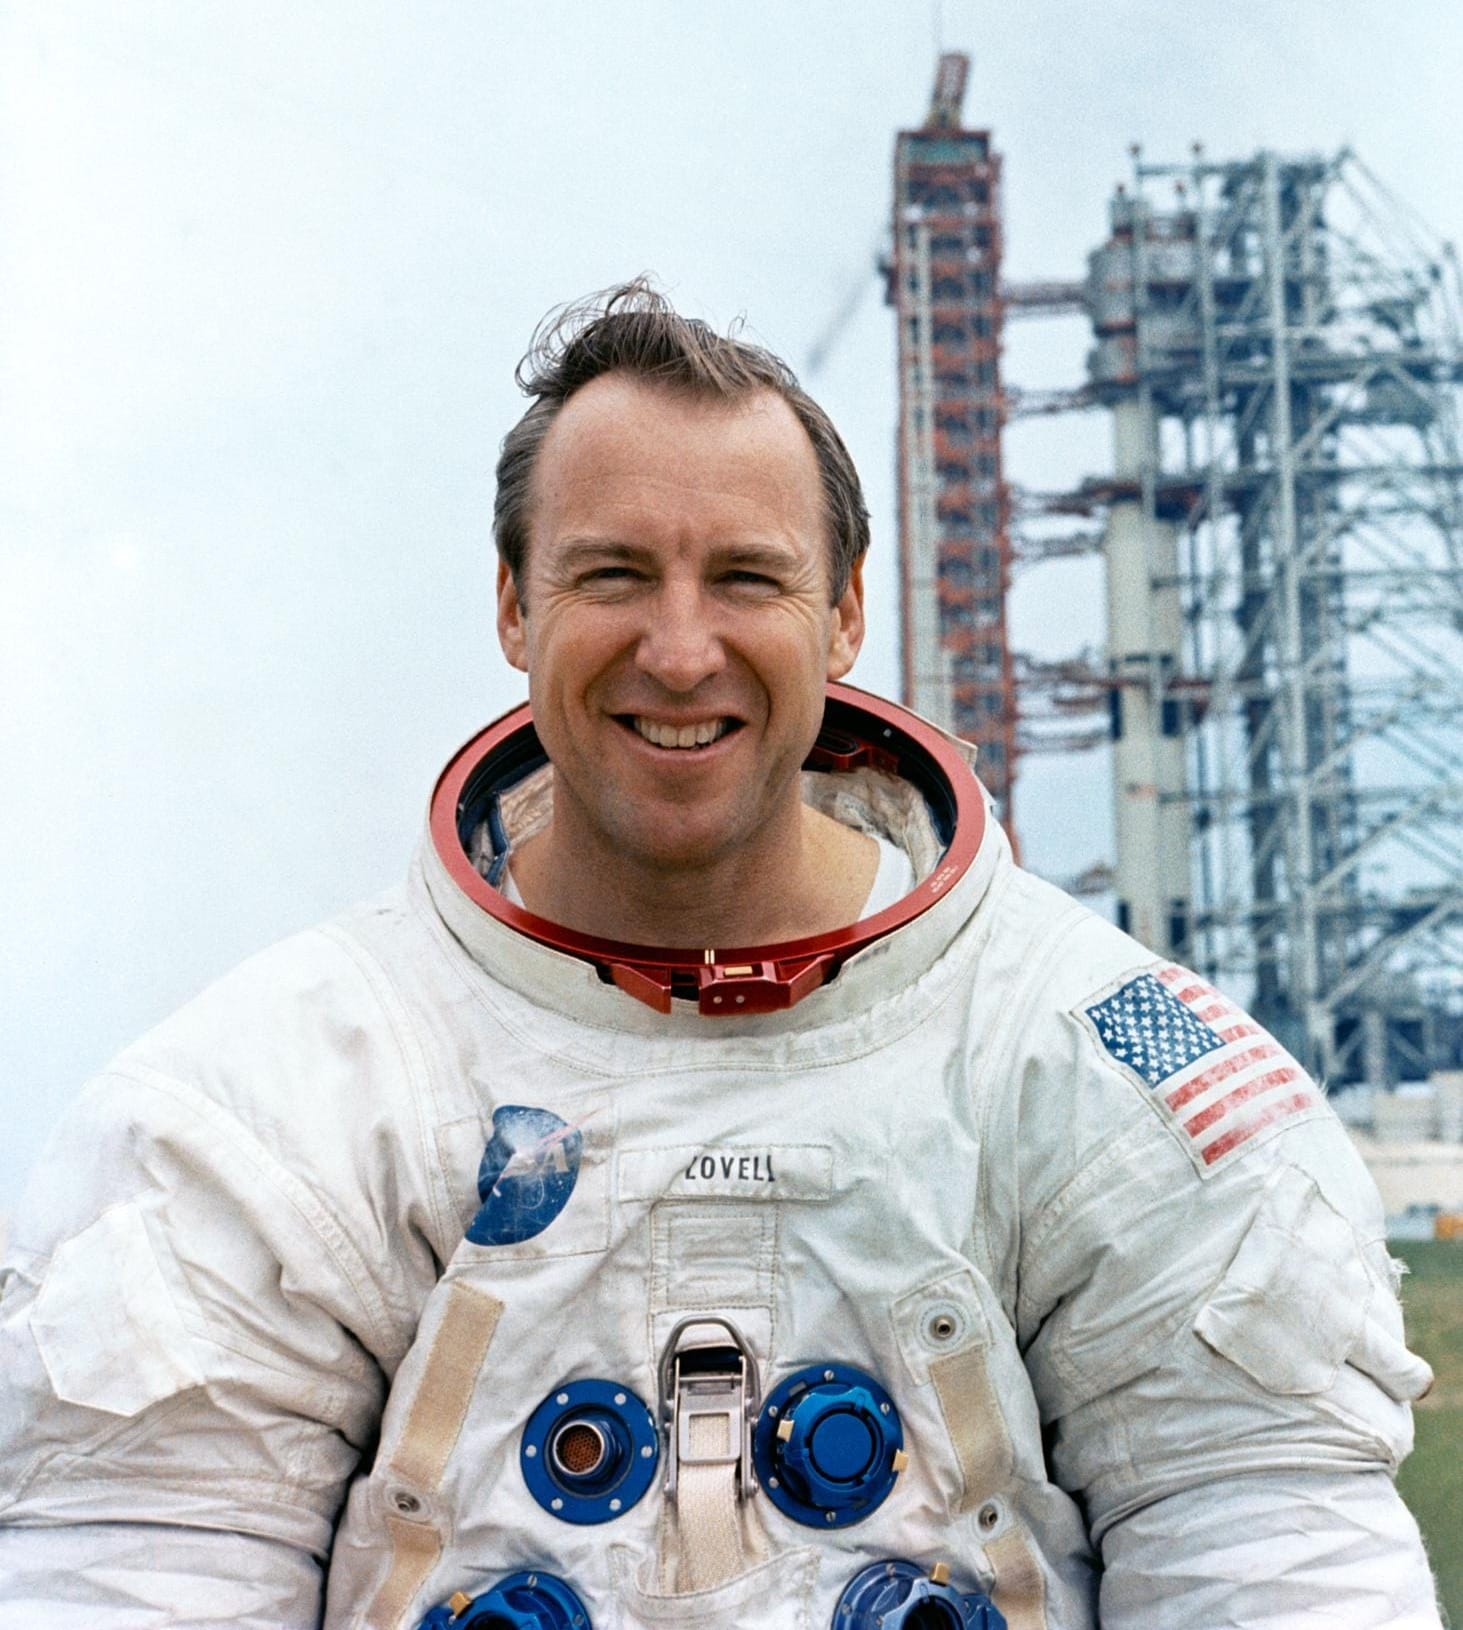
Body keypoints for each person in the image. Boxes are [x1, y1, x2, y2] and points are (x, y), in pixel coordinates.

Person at [0, 280, 1442, 1630]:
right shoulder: (287, 1096)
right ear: (513, 603)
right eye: (614, 573)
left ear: (846, 609)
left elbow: (1277, 1563)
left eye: (747, 577)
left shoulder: (1085, 1060)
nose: (680, 651)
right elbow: (133, 1573)